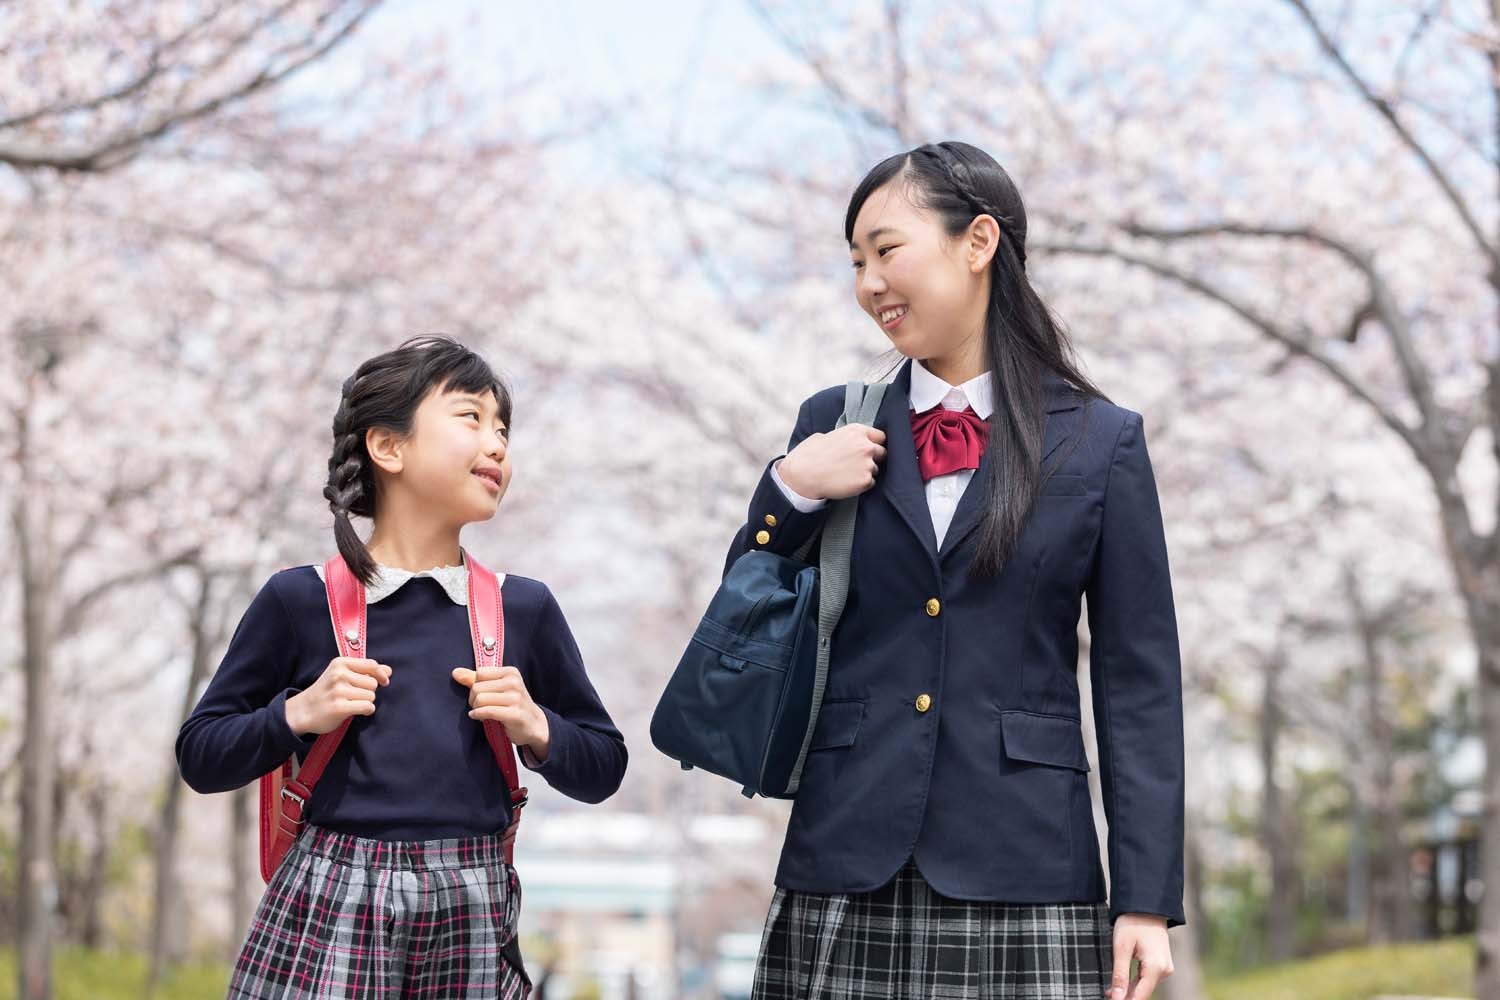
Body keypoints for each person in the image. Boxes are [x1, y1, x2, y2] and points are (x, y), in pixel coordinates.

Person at [724, 141, 1183, 1000]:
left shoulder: (1101, 441)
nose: (868, 283)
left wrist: (1147, 900)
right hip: (846, 850)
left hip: (1027, 862)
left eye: (886, 250)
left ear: (978, 243)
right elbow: (748, 605)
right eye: (855, 262)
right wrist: (790, 486)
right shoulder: (831, 422)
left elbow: (1140, 683)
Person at [177, 335, 627, 998]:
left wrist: (537, 726)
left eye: (503, 427)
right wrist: (298, 713)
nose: (497, 443)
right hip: (331, 892)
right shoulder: (300, 600)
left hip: (472, 899)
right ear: (388, 447)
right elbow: (201, 756)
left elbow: (603, 768)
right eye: (471, 418)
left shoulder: (522, 608)